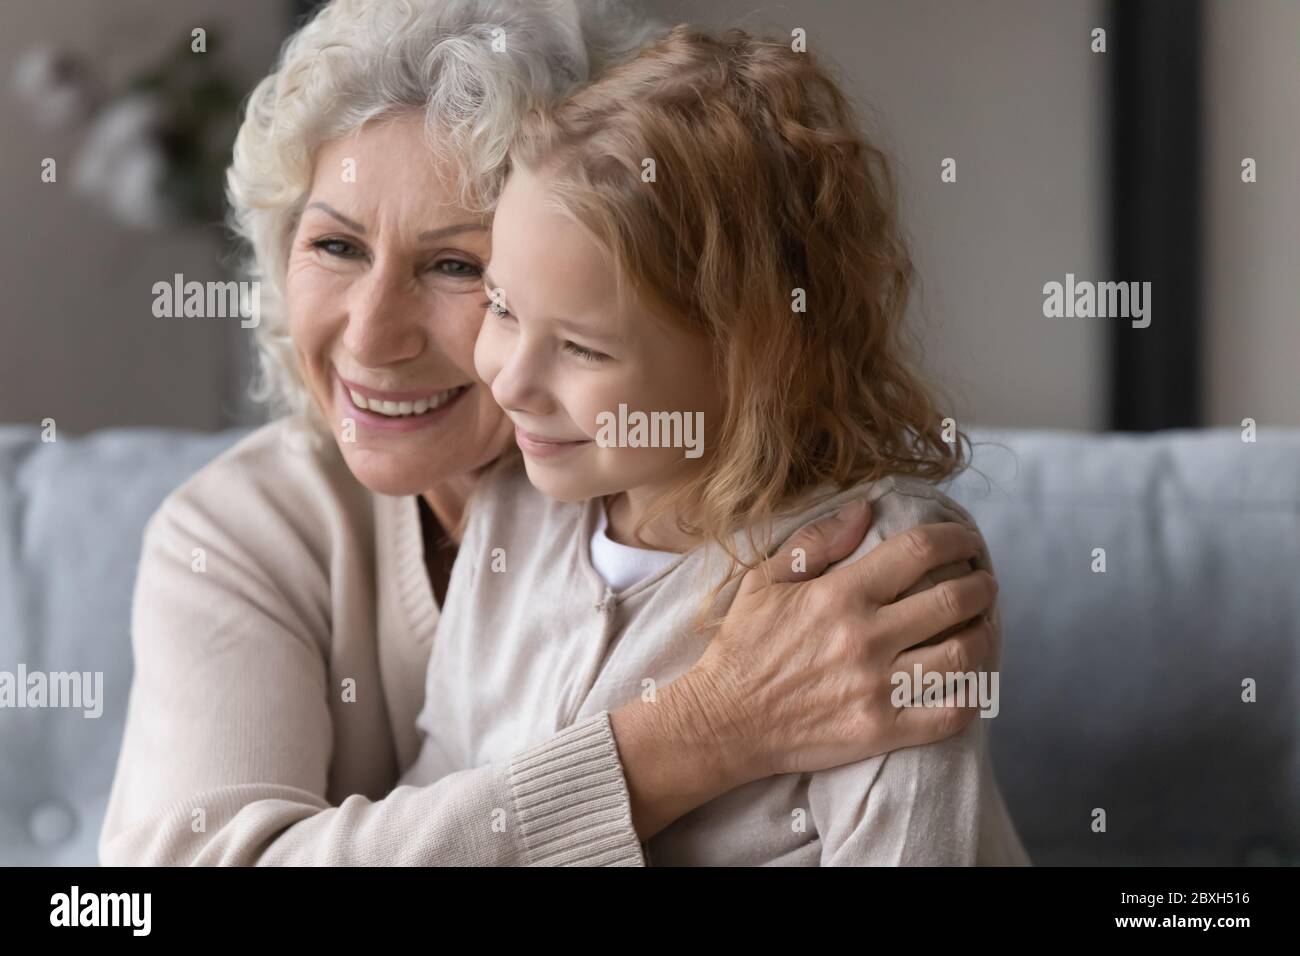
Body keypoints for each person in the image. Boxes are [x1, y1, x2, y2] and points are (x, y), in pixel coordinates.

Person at [100, 0, 1001, 866]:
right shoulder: (242, 531)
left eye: (458, 265)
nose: (372, 337)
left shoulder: (834, 550)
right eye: (335, 246)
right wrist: (701, 731)